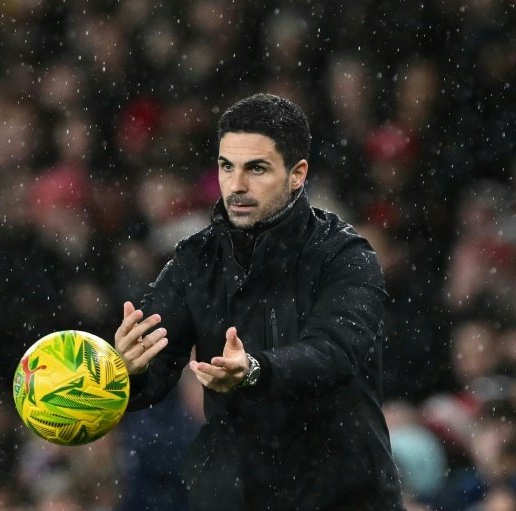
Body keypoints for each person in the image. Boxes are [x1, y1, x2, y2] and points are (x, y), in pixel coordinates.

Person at [114, 93, 405, 511]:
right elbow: (155, 370)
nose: (236, 185)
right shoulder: (194, 260)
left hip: (346, 497)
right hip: (243, 497)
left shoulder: (345, 256)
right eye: (226, 167)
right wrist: (126, 371)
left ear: (297, 173)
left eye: (257, 169)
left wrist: (256, 369)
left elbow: (335, 353)